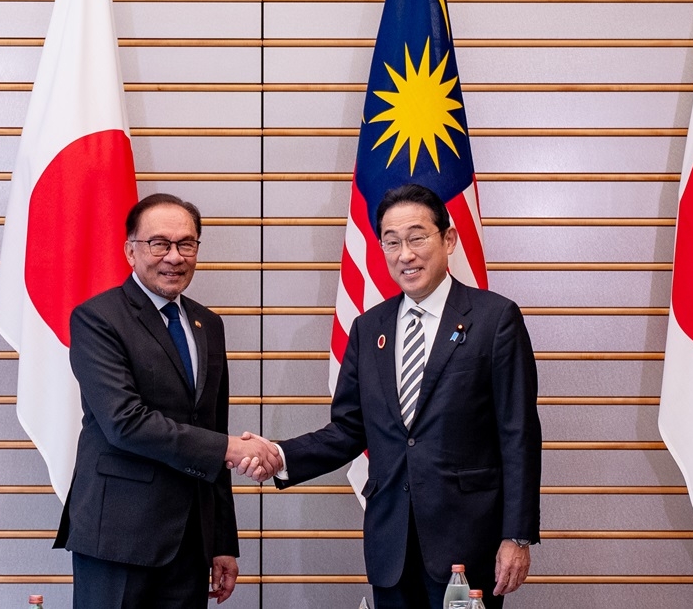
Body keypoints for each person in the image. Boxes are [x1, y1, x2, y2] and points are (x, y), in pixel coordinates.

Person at [239, 184, 541, 609]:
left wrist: (517, 535)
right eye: (392, 242)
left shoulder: (495, 319)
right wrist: (279, 454)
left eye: (417, 238)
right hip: (391, 544)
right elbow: (348, 429)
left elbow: (518, 433)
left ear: (448, 239)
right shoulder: (369, 328)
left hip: (467, 541)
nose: (405, 254)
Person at [54, 193, 281, 608]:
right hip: (118, 538)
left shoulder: (208, 324)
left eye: (186, 244)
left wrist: (222, 541)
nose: (174, 257)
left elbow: (212, 427)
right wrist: (230, 448)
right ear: (130, 250)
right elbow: (125, 421)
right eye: (159, 243)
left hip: (190, 543)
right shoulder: (97, 318)